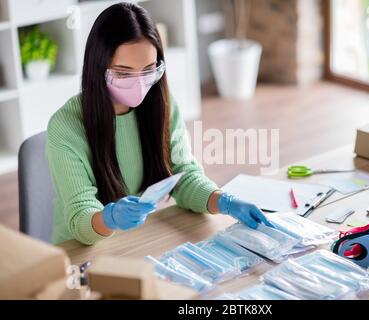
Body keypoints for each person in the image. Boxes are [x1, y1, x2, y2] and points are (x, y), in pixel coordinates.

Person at [46, 2, 272, 245]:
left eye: (149, 70)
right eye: (123, 73)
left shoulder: (162, 106)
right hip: (80, 249)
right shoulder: (65, 127)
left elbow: (183, 175)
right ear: (97, 68)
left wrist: (224, 201)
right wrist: (109, 218)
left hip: (136, 238)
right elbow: (80, 218)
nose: (140, 84)